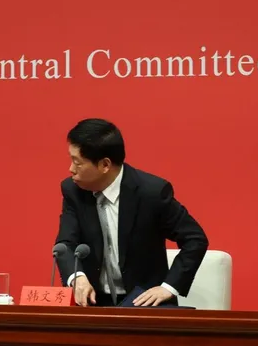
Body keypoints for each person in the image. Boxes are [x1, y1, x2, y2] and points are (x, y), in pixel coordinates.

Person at [54, 118, 208, 307]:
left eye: (77, 163)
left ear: (105, 165)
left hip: (143, 302)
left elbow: (195, 239)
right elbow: (66, 244)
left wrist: (169, 287)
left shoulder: (151, 192)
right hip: (93, 301)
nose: (71, 169)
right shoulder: (73, 191)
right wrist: (76, 277)